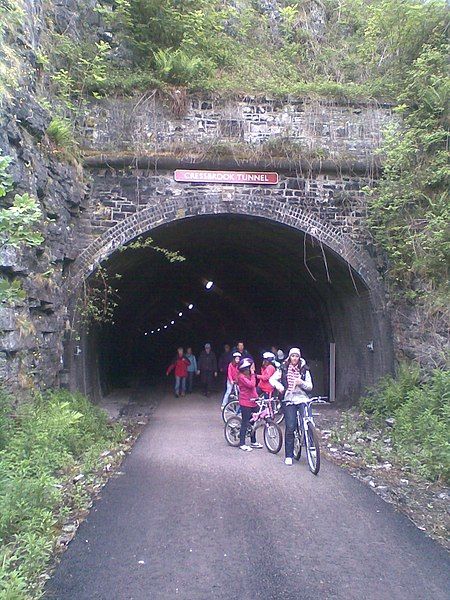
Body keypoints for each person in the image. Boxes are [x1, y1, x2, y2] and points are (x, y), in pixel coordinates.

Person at [270, 347, 313, 465]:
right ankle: (289, 455)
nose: (294, 358)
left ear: (299, 358)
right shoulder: (283, 368)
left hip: (302, 398)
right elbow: (272, 379)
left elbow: (310, 386)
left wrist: (302, 383)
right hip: (289, 399)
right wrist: (279, 386)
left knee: (309, 422)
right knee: (290, 426)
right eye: (292, 356)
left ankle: (312, 447)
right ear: (289, 357)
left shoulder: (304, 369)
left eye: (297, 356)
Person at [237, 357, 263, 452]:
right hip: (245, 402)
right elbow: (252, 385)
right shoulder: (241, 377)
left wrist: (257, 398)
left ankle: (253, 441)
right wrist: (252, 374)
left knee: (254, 422)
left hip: (253, 401)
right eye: (251, 367)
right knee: (245, 422)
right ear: (246, 368)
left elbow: (253, 389)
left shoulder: (248, 376)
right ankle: (242, 443)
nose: (253, 368)